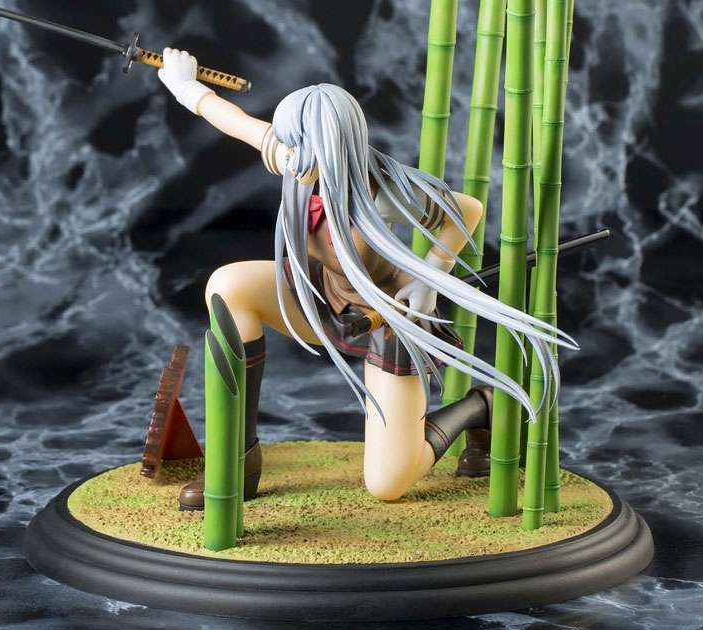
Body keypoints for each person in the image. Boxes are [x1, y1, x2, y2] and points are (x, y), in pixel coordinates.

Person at [158, 49, 573, 504]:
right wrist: (184, 85)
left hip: (391, 316)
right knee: (227, 286)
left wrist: (430, 278)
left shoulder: (383, 194)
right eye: (287, 143)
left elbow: (467, 210)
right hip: (323, 296)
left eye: (298, 147)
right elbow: (232, 119)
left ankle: (481, 406)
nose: (285, 155)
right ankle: (240, 461)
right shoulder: (294, 160)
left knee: (387, 484)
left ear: (333, 146)